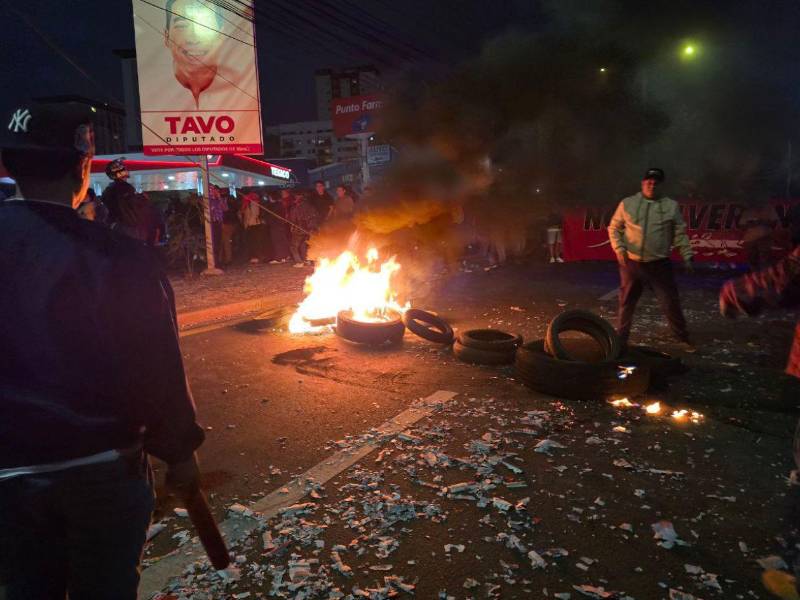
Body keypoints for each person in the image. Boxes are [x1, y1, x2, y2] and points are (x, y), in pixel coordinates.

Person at [0, 101, 204, 599]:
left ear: (9, 167)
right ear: (83, 166)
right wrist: (177, 452)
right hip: (100, 468)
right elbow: (156, 364)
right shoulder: (120, 257)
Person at [608, 168, 696, 352]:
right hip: (632, 264)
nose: (652, 185)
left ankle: (682, 338)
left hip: (659, 265)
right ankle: (620, 342)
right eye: (649, 181)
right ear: (642, 183)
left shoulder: (670, 206)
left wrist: (687, 256)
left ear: (661, 185)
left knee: (670, 303)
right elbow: (614, 228)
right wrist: (619, 248)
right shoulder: (628, 204)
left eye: (656, 182)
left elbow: (680, 233)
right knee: (626, 304)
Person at [741, 201, 777, 270]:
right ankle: (755, 275)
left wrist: (763, 222)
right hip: (750, 239)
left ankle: (766, 275)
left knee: (766, 258)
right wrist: (751, 224)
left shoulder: (769, 209)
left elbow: (774, 223)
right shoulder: (748, 212)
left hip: (765, 237)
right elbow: (742, 226)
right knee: (752, 259)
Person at [288, 191, 318, 266]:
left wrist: (292, 225)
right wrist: (312, 228)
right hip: (309, 229)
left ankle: (299, 262)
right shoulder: (311, 206)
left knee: (293, 246)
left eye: (296, 197)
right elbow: (315, 217)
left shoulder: (296, 207)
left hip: (299, 229)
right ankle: (306, 260)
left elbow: (293, 218)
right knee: (303, 245)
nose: (295, 198)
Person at [265, 190, 291, 262]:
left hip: (277, 226)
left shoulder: (276, 205)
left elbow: (272, 216)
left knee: (278, 242)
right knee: (280, 241)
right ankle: (283, 257)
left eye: (269, 197)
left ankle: (280, 257)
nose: (269, 199)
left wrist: (267, 220)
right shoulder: (278, 205)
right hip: (277, 226)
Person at [240, 191, 265, 263]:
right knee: (253, 241)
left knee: (255, 241)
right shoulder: (249, 204)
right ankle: (255, 256)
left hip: (254, 225)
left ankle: (256, 256)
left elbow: (253, 215)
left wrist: (247, 223)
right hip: (252, 225)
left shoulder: (253, 204)